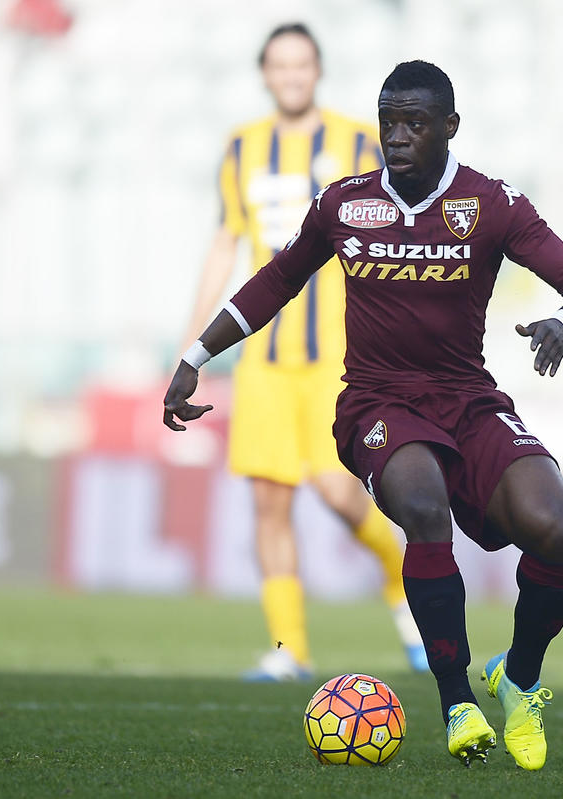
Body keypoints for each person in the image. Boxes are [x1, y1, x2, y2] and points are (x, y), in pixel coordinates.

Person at [165, 60, 563, 771]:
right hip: (377, 401)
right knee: (424, 507)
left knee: (558, 527)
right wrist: (196, 354)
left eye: (414, 124)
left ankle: (519, 678)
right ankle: (457, 701)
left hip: (468, 398)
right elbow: (277, 280)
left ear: (449, 128)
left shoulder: (491, 203)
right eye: (388, 123)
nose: (397, 137)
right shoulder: (344, 203)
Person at [178, 23, 425, 682]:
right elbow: (226, 242)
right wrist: (194, 340)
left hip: (338, 357)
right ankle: (289, 650)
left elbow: (399, 231)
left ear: (317, 70)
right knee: (269, 503)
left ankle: (401, 583)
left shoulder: (357, 142)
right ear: (265, 73)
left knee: (341, 494)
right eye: (280, 65)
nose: (291, 75)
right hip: (263, 359)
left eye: (302, 63)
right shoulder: (241, 148)